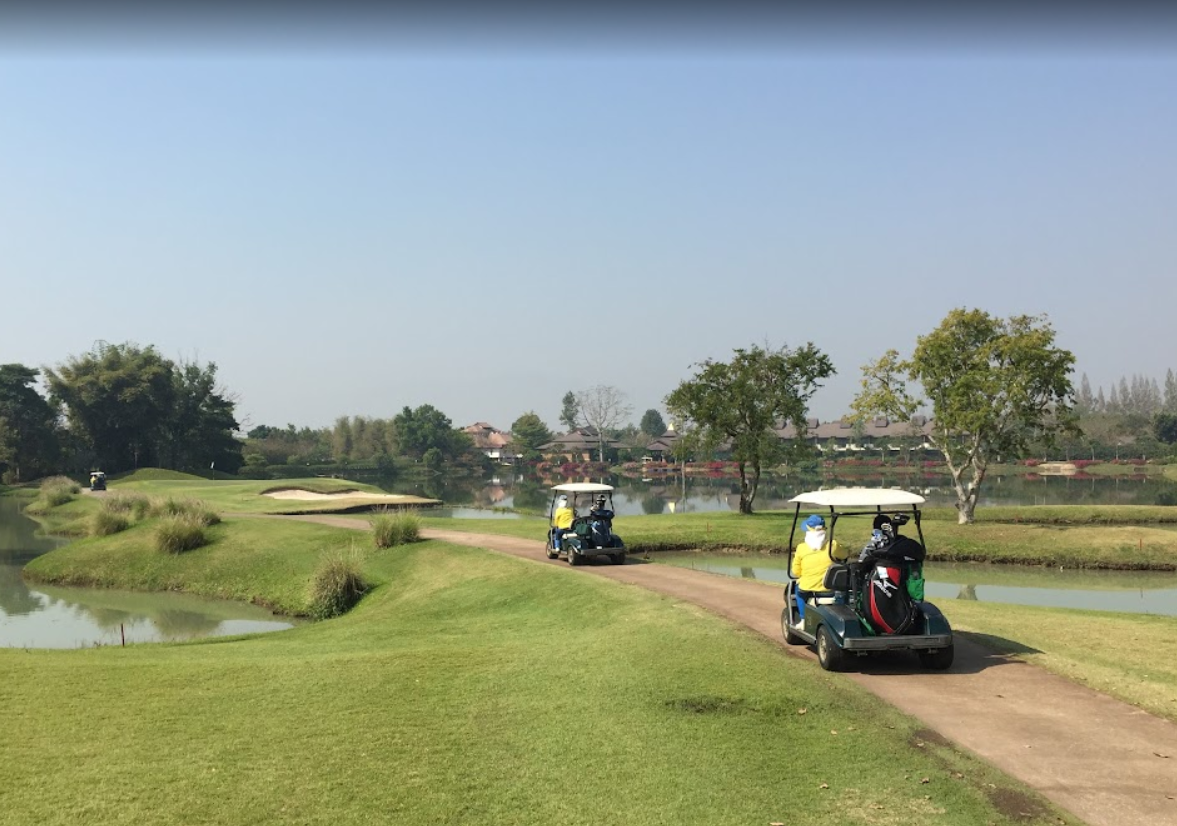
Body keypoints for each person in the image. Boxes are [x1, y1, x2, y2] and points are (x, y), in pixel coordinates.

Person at [790, 514, 846, 622]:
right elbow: (845, 555)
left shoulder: (801, 548)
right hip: (830, 588)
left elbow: (796, 572)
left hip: (808, 588)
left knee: (798, 591)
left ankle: (803, 619)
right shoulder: (833, 545)